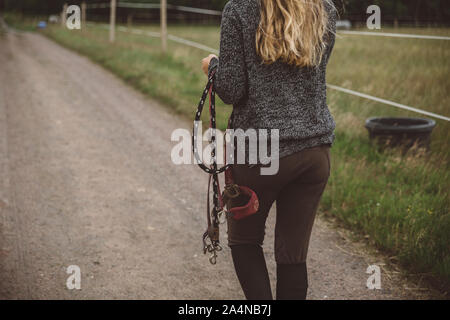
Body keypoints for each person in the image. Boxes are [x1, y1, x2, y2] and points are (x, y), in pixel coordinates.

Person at [201, 0, 336, 300]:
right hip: (313, 151)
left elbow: (233, 89)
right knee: (292, 255)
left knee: (245, 241)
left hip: (260, 151)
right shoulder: (324, 8)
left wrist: (212, 66)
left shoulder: (239, 9)